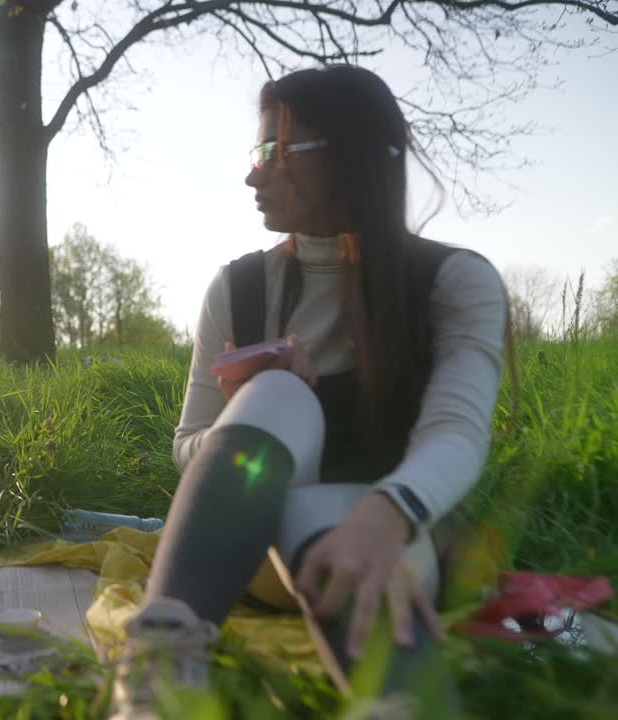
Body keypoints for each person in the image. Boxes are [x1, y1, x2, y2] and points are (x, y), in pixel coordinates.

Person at [110, 64, 513, 719]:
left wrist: (387, 513)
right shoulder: (237, 289)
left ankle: (398, 705)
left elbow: (458, 433)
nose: (253, 173)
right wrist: (241, 414)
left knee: (330, 512)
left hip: (392, 551)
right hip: (254, 555)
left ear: (348, 156)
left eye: (274, 151)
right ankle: (156, 682)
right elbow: (187, 444)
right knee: (278, 396)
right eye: (256, 152)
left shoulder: (454, 281)